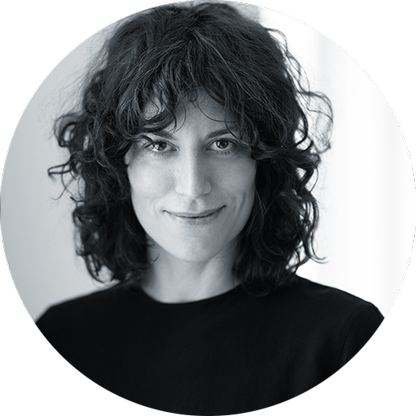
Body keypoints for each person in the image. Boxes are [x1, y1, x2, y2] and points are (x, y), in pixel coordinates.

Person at [36, 2, 384, 414]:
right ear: (119, 160)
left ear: (262, 161)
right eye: (159, 145)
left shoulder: (341, 339)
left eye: (223, 143)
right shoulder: (62, 336)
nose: (193, 186)